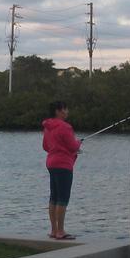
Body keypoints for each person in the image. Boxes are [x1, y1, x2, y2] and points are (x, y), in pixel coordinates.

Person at [42, 100, 82, 239]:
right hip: (63, 165)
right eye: (64, 109)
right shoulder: (65, 127)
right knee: (63, 198)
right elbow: (72, 146)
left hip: (51, 163)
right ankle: (60, 231)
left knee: (54, 197)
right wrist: (78, 143)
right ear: (58, 111)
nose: (67, 112)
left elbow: (46, 146)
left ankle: (53, 230)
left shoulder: (48, 127)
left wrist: (61, 148)